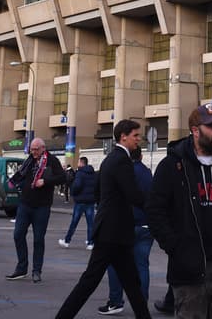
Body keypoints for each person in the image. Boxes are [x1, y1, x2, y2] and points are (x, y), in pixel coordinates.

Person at [146, 102, 212, 319]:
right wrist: (175, 247)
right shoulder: (172, 166)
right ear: (195, 131)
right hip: (189, 264)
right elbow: (155, 211)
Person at [53, 119, 152, 319]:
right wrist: (157, 209)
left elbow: (99, 191)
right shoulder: (121, 160)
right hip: (113, 233)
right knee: (90, 281)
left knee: (131, 283)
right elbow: (133, 194)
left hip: (114, 232)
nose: (139, 139)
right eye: (136, 135)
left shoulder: (110, 159)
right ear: (123, 136)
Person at [101, 140, 157, 315]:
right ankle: (141, 303)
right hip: (146, 225)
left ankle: (115, 301)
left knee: (115, 264)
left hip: (126, 225)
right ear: (140, 156)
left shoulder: (123, 170)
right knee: (142, 265)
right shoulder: (147, 173)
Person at [5, 136, 66, 283]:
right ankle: (21, 268)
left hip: (42, 206)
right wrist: (12, 182)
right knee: (18, 235)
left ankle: (36, 270)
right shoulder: (29, 160)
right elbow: (21, 174)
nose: (33, 152)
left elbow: (62, 177)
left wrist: (45, 181)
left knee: (38, 239)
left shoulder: (51, 161)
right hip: (25, 204)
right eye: (32, 149)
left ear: (43, 148)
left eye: (36, 149)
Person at [60, 156, 98, 249]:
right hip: (90, 201)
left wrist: (73, 192)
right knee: (90, 223)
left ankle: (67, 240)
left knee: (74, 222)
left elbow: (77, 185)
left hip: (80, 201)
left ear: (81, 163)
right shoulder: (93, 173)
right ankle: (90, 242)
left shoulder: (80, 173)